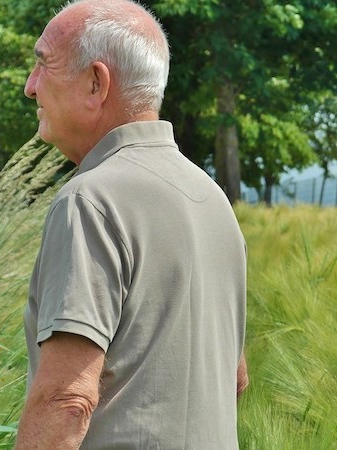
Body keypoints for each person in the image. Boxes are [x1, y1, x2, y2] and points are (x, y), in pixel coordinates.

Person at [15, 0, 249, 448]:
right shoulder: (214, 199)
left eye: (43, 64)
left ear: (96, 83)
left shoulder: (90, 201)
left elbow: (66, 401)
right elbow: (234, 379)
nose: (30, 86)